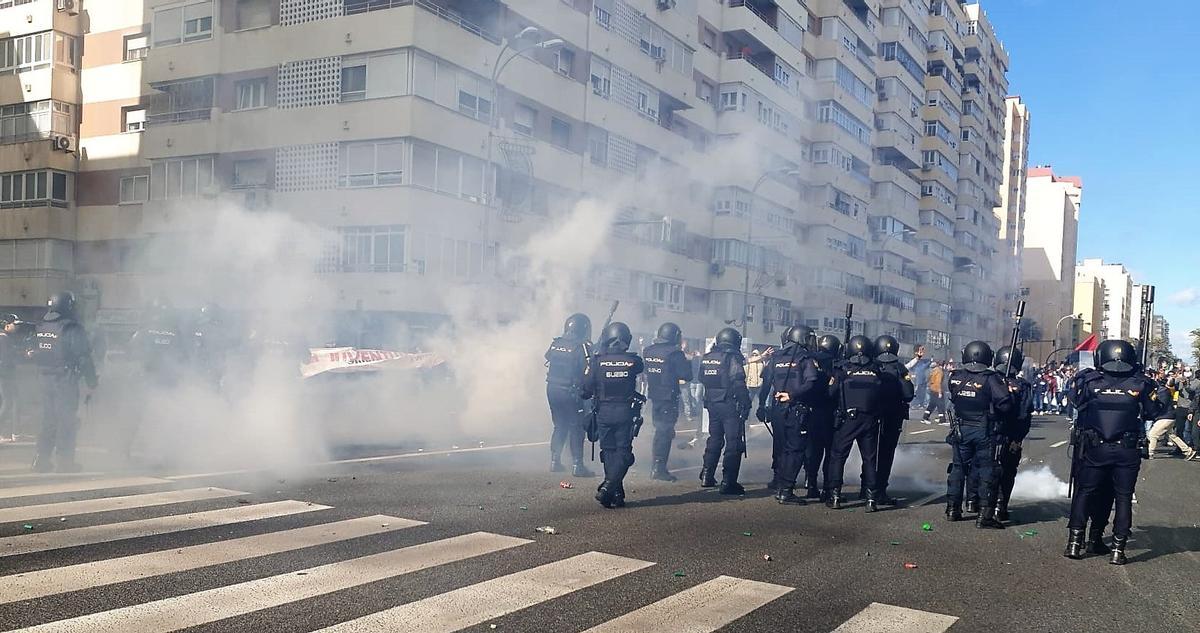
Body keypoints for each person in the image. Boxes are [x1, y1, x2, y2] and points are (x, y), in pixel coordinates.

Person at [1065, 340, 1163, 564]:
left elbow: (1074, 402)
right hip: (1126, 449)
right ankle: (1118, 550)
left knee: (1084, 492)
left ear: (1101, 357)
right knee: (1123, 497)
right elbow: (1153, 412)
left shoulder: (1089, 381)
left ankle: (1074, 543)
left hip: (1095, 448)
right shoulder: (1141, 384)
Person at [945, 341, 1014, 527]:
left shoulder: (955, 377)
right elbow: (1005, 405)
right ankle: (984, 516)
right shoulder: (990, 379)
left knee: (958, 469)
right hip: (984, 430)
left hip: (960, 429)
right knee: (986, 472)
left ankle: (952, 509)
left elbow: (953, 397)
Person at [824, 336, 894, 511]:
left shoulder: (842, 370)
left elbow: (830, 393)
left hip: (847, 419)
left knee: (838, 457)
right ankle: (871, 499)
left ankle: (835, 496)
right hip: (870, 420)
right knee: (869, 460)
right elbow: (884, 396)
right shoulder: (876, 370)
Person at [31, 292, 98, 473]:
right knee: (67, 421)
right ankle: (65, 462)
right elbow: (83, 357)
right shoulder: (71, 328)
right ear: (68, 306)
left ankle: (41, 459)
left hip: (44, 379)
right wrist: (92, 380)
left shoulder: (42, 325)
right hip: (64, 380)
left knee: (48, 420)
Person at [580, 322, 644, 508]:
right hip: (624, 412)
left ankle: (615, 492)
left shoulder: (597, 361)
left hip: (603, 413)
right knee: (623, 453)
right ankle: (610, 488)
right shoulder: (634, 361)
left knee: (608, 451)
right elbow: (638, 367)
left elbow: (585, 390)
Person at [759, 326, 822, 504]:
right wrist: (793, 395)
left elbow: (766, 384)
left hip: (777, 409)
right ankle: (786, 491)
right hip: (797, 409)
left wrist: (762, 406)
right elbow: (811, 382)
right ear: (801, 338)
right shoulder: (804, 357)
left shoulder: (776, 357)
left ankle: (780, 484)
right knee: (795, 449)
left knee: (781, 447)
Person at [699, 327, 751, 495]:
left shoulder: (708, 357)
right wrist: (746, 402)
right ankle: (728, 482)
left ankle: (707, 475)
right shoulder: (732, 357)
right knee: (733, 443)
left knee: (714, 439)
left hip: (712, 404)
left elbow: (701, 378)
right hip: (729, 404)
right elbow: (738, 381)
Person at [544, 313, 595, 477]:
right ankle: (577, 465)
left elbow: (548, 357)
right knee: (576, 427)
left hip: (552, 390)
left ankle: (555, 461)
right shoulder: (582, 346)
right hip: (571, 392)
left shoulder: (556, 343)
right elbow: (588, 368)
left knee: (559, 425)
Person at [641, 322, 692, 481]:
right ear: (674, 336)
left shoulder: (648, 350)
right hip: (668, 397)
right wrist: (687, 360)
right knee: (664, 432)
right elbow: (686, 375)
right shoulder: (675, 353)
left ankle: (657, 466)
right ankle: (658, 469)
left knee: (660, 431)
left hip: (654, 396)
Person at [992, 346, 1034, 522]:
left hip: (989, 434)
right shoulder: (1023, 386)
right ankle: (1000, 507)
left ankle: (984, 505)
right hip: (1010, 436)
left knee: (987, 470)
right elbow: (1025, 415)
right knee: (1007, 472)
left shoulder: (989, 380)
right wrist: (1018, 438)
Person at [871, 335, 915, 506]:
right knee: (885, 454)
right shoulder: (899, 368)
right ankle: (880, 491)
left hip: (872, 415)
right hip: (892, 417)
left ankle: (867, 489)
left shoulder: (870, 365)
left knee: (869, 454)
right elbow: (909, 394)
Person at [806, 334, 842, 499]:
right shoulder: (837, 364)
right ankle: (828, 488)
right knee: (831, 453)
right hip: (831, 413)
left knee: (814, 451)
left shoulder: (810, 360)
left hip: (813, 412)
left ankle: (811, 485)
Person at [1146, 376, 1197, 460]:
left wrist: (1152, 402)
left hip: (1165, 417)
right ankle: (1188, 451)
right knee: (1172, 435)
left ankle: (1150, 453)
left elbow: (1161, 404)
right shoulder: (1162, 390)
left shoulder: (1162, 391)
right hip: (1169, 416)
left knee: (1153, 434)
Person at [907, 345, 932, 409]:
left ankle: (920, 404)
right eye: (921, 350)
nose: (923, 352)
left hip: (922, 381)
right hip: (917, 382)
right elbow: (910, 366)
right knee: (917, 393)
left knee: (921, 394)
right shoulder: (917, 364)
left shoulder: (921, 362)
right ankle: (914, 404)